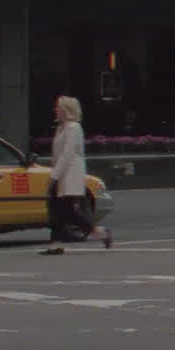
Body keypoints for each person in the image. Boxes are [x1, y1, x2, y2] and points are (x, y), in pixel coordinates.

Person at [44, 95, 110, 253]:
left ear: (67, 110)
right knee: (56, 210)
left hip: (69, 177)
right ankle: (56, 243)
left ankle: (100, 232)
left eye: (58, 107)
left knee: (70, 211)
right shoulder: (62, 128)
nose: (56, 110)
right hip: (61, 176)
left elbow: (68, 154)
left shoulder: (73, 128)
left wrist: (54, 175)